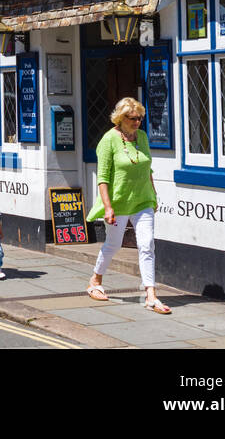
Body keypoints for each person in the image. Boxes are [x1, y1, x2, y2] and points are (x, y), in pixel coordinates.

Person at [86, 97, 171, 313]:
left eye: (140, 118)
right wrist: (107, 207)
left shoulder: (142, 137)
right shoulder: (108, 140)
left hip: (143, 200)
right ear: (121, 118)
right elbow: (103, 177)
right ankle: (95, 281)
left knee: (147, 245)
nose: (137, 123)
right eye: (133, 118)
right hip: (118, 202)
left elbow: (147, 169)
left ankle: (151, 295)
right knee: (113, 245)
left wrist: (153, 195)